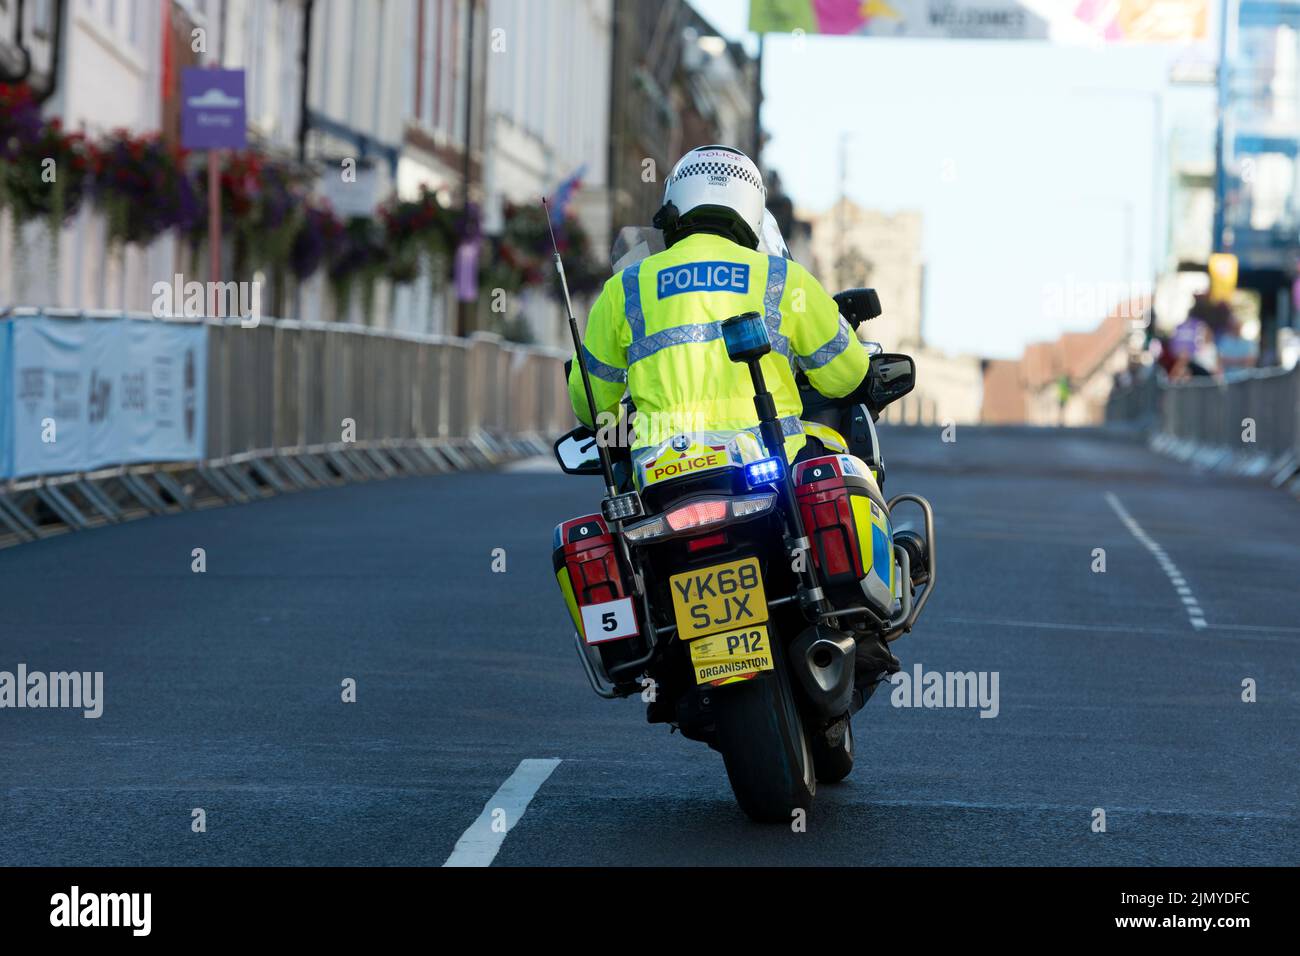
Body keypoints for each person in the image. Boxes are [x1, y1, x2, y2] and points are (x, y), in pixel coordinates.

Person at [567, 145, 872, 464]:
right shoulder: (783, 278)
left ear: (674, 205)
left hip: (662, 468)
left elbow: (592, 405)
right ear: (754, 209)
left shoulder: (625, 287)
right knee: (840, 478)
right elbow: (846, 375)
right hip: (770, 461)